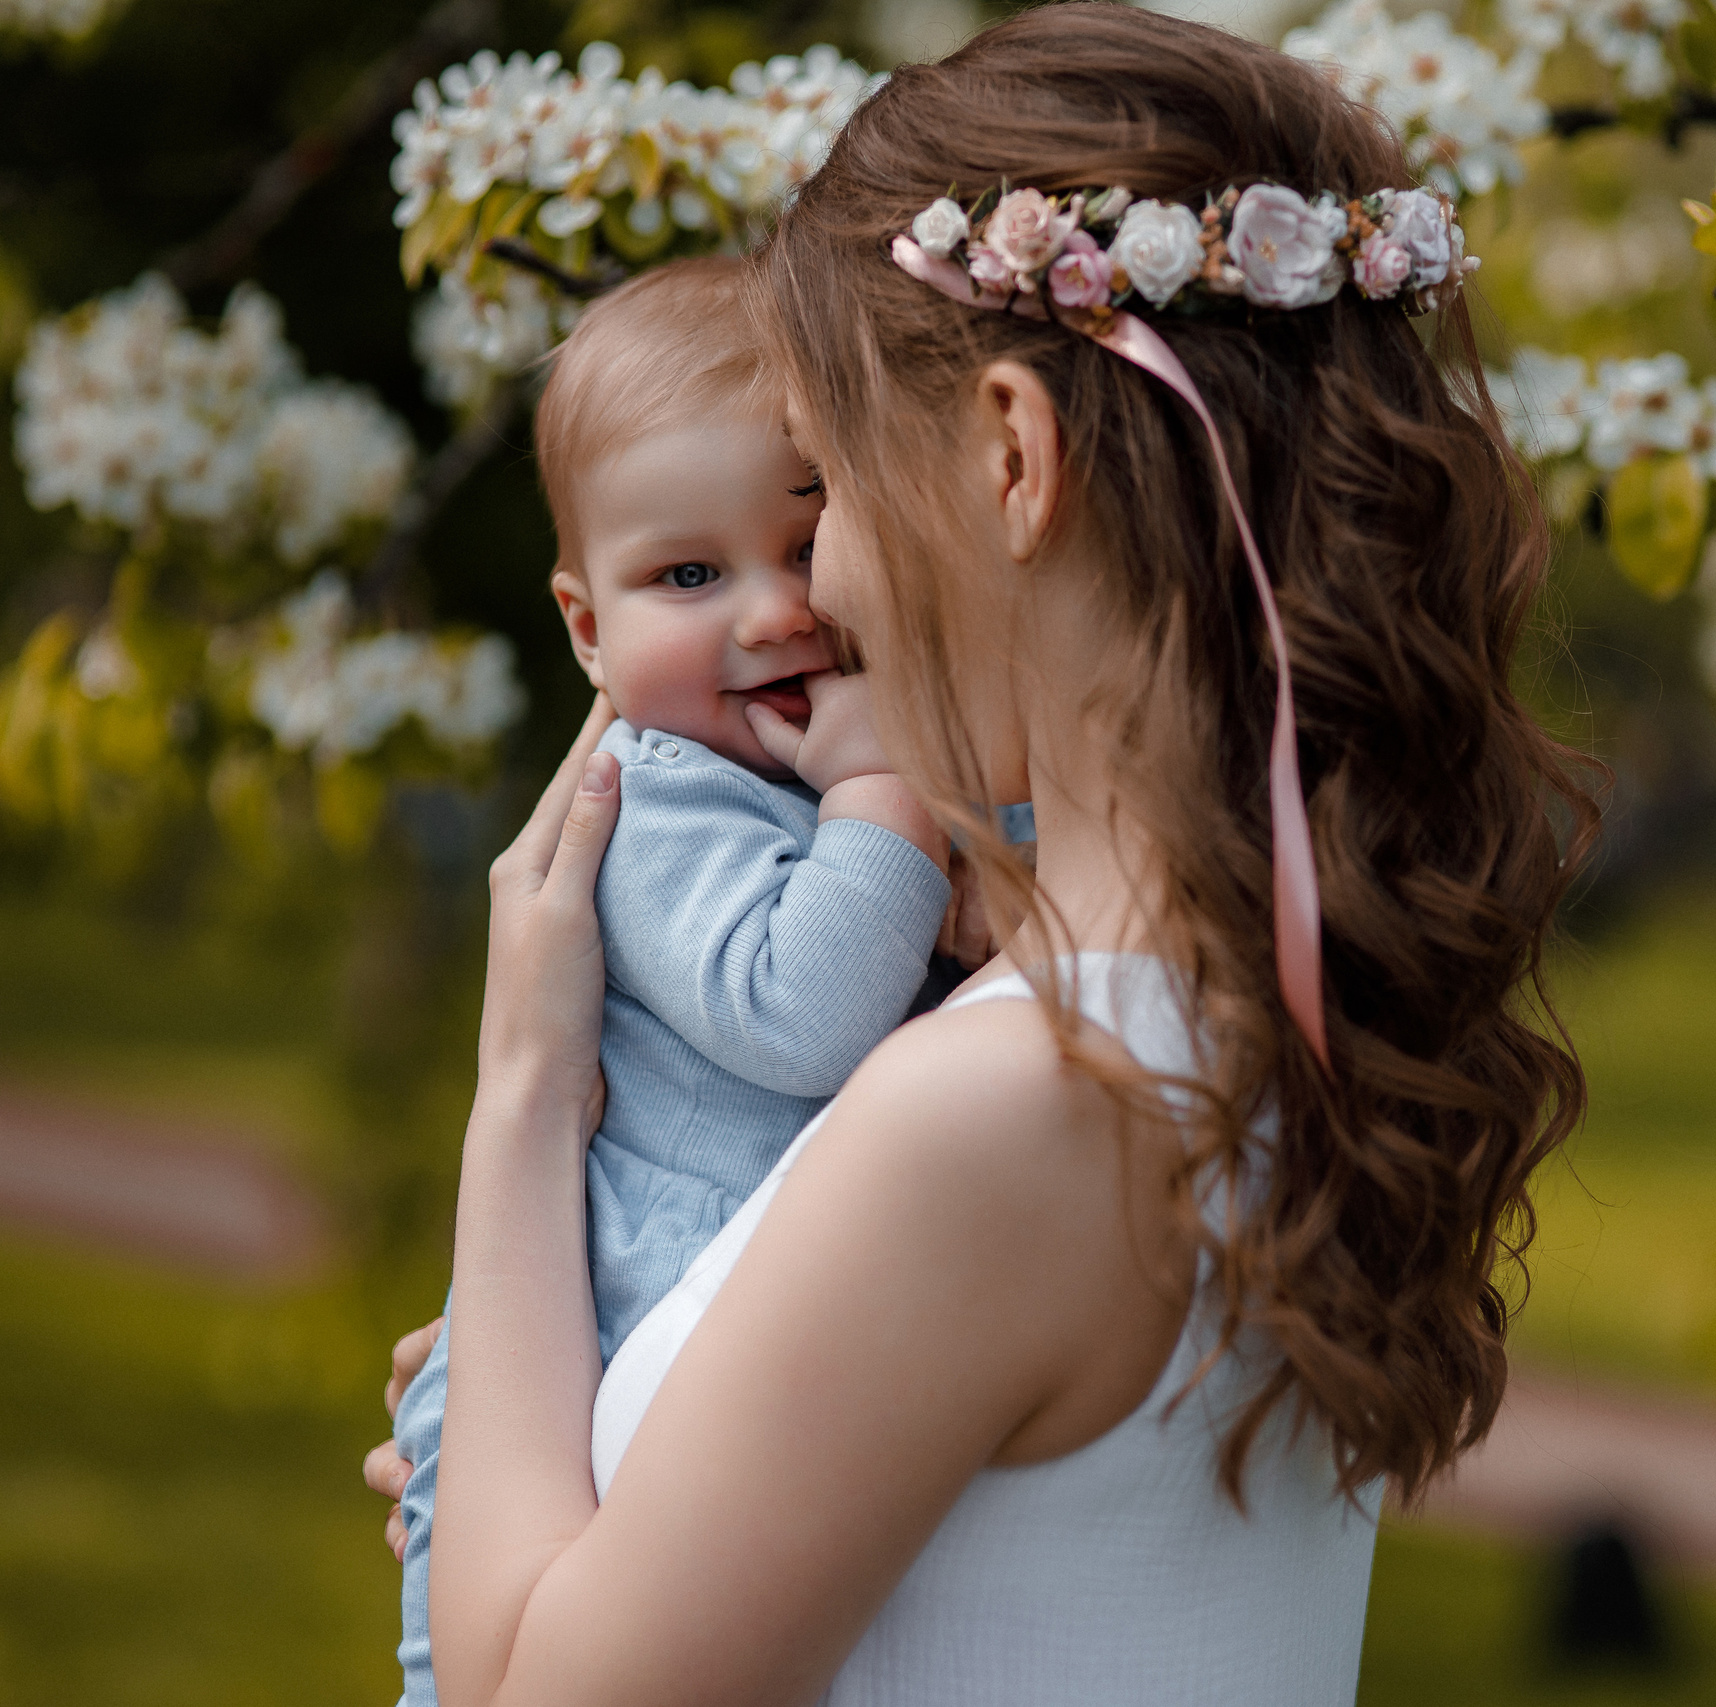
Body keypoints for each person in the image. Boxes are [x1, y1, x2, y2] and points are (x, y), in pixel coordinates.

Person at [365, 8, 1597, 1701]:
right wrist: (550, 1433)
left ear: (1013, 460)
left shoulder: (1010, 1104)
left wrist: (524, 1091)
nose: (820, 592)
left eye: (829, 493)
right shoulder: (1263, 999)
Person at [385, 258, 975, 1707]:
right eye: (690, 577)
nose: (773, 613)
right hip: (589, 1355)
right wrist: (889, 790)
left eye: (808, 534)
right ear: (588, 629)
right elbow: (800, 1012)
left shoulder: (824, 757)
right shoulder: (654, 808)